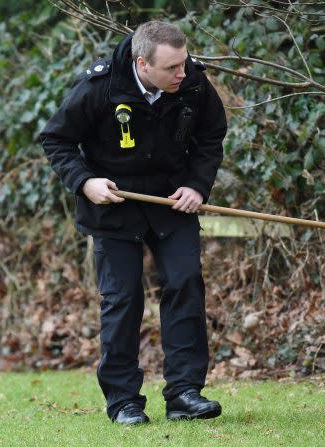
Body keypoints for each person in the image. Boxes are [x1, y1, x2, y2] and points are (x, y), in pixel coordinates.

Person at [39, 20, 227, 425]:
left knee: (185, 284)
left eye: (184, 63)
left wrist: (197, 185)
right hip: (113, 206)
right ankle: (123, 401)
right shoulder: (98, 88)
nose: (183, 73)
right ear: (143, 64)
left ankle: (184, 394)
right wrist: (84, 181)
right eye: (173, 68)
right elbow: (56, 139)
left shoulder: (192, 83)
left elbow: (211, 136)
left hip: (172, 203)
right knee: (122, 301)